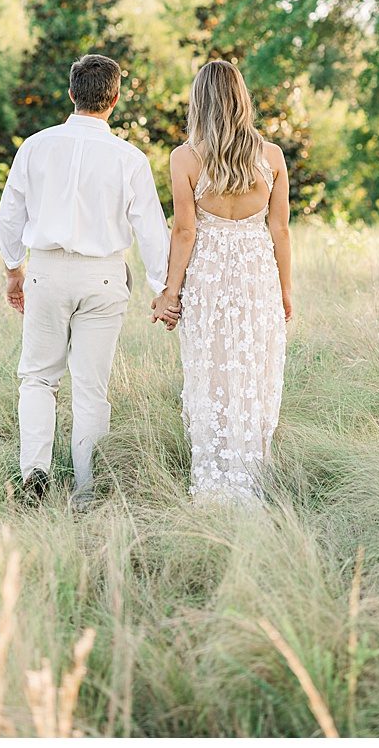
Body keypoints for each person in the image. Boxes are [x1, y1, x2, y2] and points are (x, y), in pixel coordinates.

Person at [0, 54, 170, 507]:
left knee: (37, 379)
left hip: (46, 271)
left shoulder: (34, 146)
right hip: (105, 277)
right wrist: (162, 290)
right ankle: (87, 492)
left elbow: (9, 214)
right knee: (91, 388)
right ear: (114, 100)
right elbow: (152, 230)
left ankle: (35, 477)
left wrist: (14, 270)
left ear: (71, 93)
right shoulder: (130, 158)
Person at [150, 60, 291, 504]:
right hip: (257, 275)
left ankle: (215, 484)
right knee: (254, 371)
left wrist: (170, 293)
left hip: (210, 276)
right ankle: (252, 477)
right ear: (241, 99)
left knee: (210, 374)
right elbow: (281, 230)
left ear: (200, 102)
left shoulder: (186, 157)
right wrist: (286, 291)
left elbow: (185, 231)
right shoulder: (271, 157)